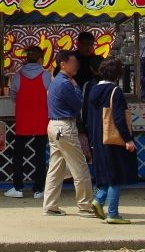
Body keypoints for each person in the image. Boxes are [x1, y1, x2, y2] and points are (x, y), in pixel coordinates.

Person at [42, 50, 96, 217]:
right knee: (80, 166)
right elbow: (78, 103)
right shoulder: (66, 83)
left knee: (56, 167)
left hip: (54, 126)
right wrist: (76, 87)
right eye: (73, 63)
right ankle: (85, 205)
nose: (76, 66)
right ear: (63, 64)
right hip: (64, 126)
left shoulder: (56, 81)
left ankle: (50, 205)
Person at [85, 58, 136, 224]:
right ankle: (113, 213)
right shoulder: (115, 91)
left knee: (106, 173)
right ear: (118, 74)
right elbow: (119, 118)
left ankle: (98, 199)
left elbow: (88, 116)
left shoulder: (93, 90)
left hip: (98, 139)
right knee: (116, 176)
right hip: (113, 139)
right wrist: (128, 140)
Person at [5, 46, 50, 199]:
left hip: (23, 119)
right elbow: (51, 96)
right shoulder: (46, 75)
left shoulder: (17, 76)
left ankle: (18, 187)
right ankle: (39, 189)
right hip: (41, 119)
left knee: (18, 155)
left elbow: (12, 96)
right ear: (40, 59)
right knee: (40, 155)